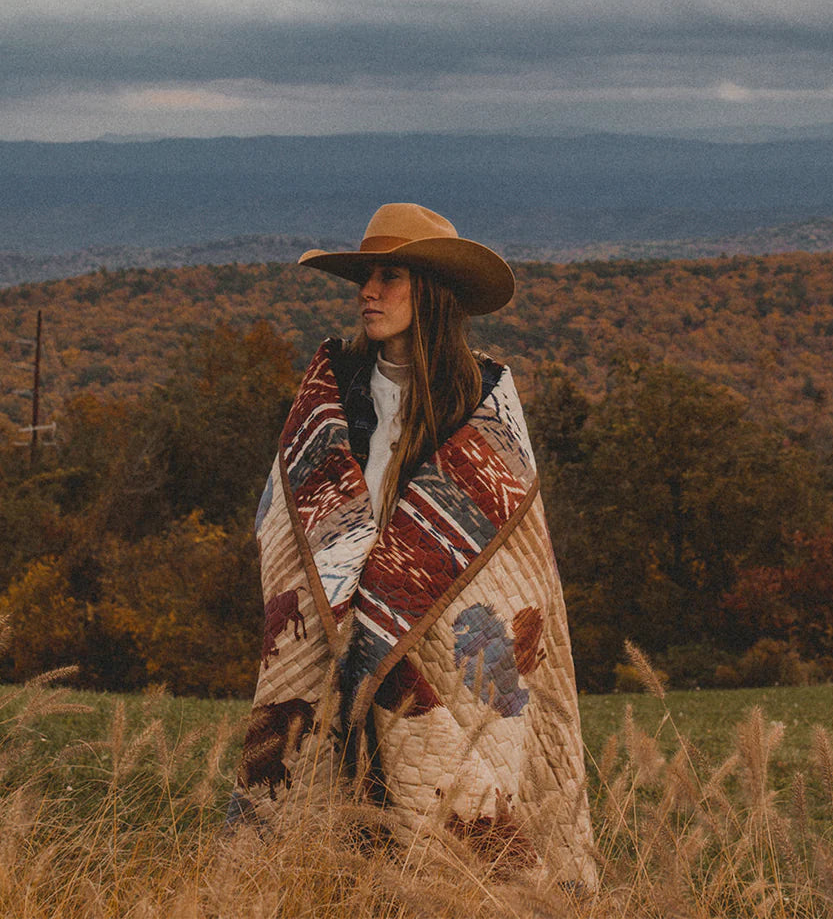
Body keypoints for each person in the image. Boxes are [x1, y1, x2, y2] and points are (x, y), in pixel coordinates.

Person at [230, 203, 597, 889]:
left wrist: (401, 610)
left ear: (429, 291)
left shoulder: (484, 412)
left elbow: (516, 570)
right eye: (365, 277)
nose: (368, 292)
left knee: (448, 846)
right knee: (317, 835)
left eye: (389, 276)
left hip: (439, 656)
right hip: (330, 643)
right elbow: (281, 524)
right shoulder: (329, 400)